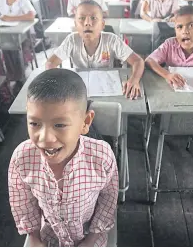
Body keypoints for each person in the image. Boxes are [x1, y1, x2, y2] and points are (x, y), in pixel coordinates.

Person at [8, 68, 118, 247]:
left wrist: (91, 240)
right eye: (34, 123)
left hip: (89, 235)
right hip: (48, 236)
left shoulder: (101, 156)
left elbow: (108, 199)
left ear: (85, 122)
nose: (45, 138)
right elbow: (23, 204)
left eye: (59, 125)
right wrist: (34, 238)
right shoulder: (22, 158)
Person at [46, 0, 144, 100]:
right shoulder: (72, 40)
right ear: (75, 24)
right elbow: (50, 63)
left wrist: (134, 80)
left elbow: (138, 61)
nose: (87, 23)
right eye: (82, 18)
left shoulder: (111, 40)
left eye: (93, 18)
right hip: (80, 91)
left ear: (102, 24)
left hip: (106, 89)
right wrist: (57, 81)